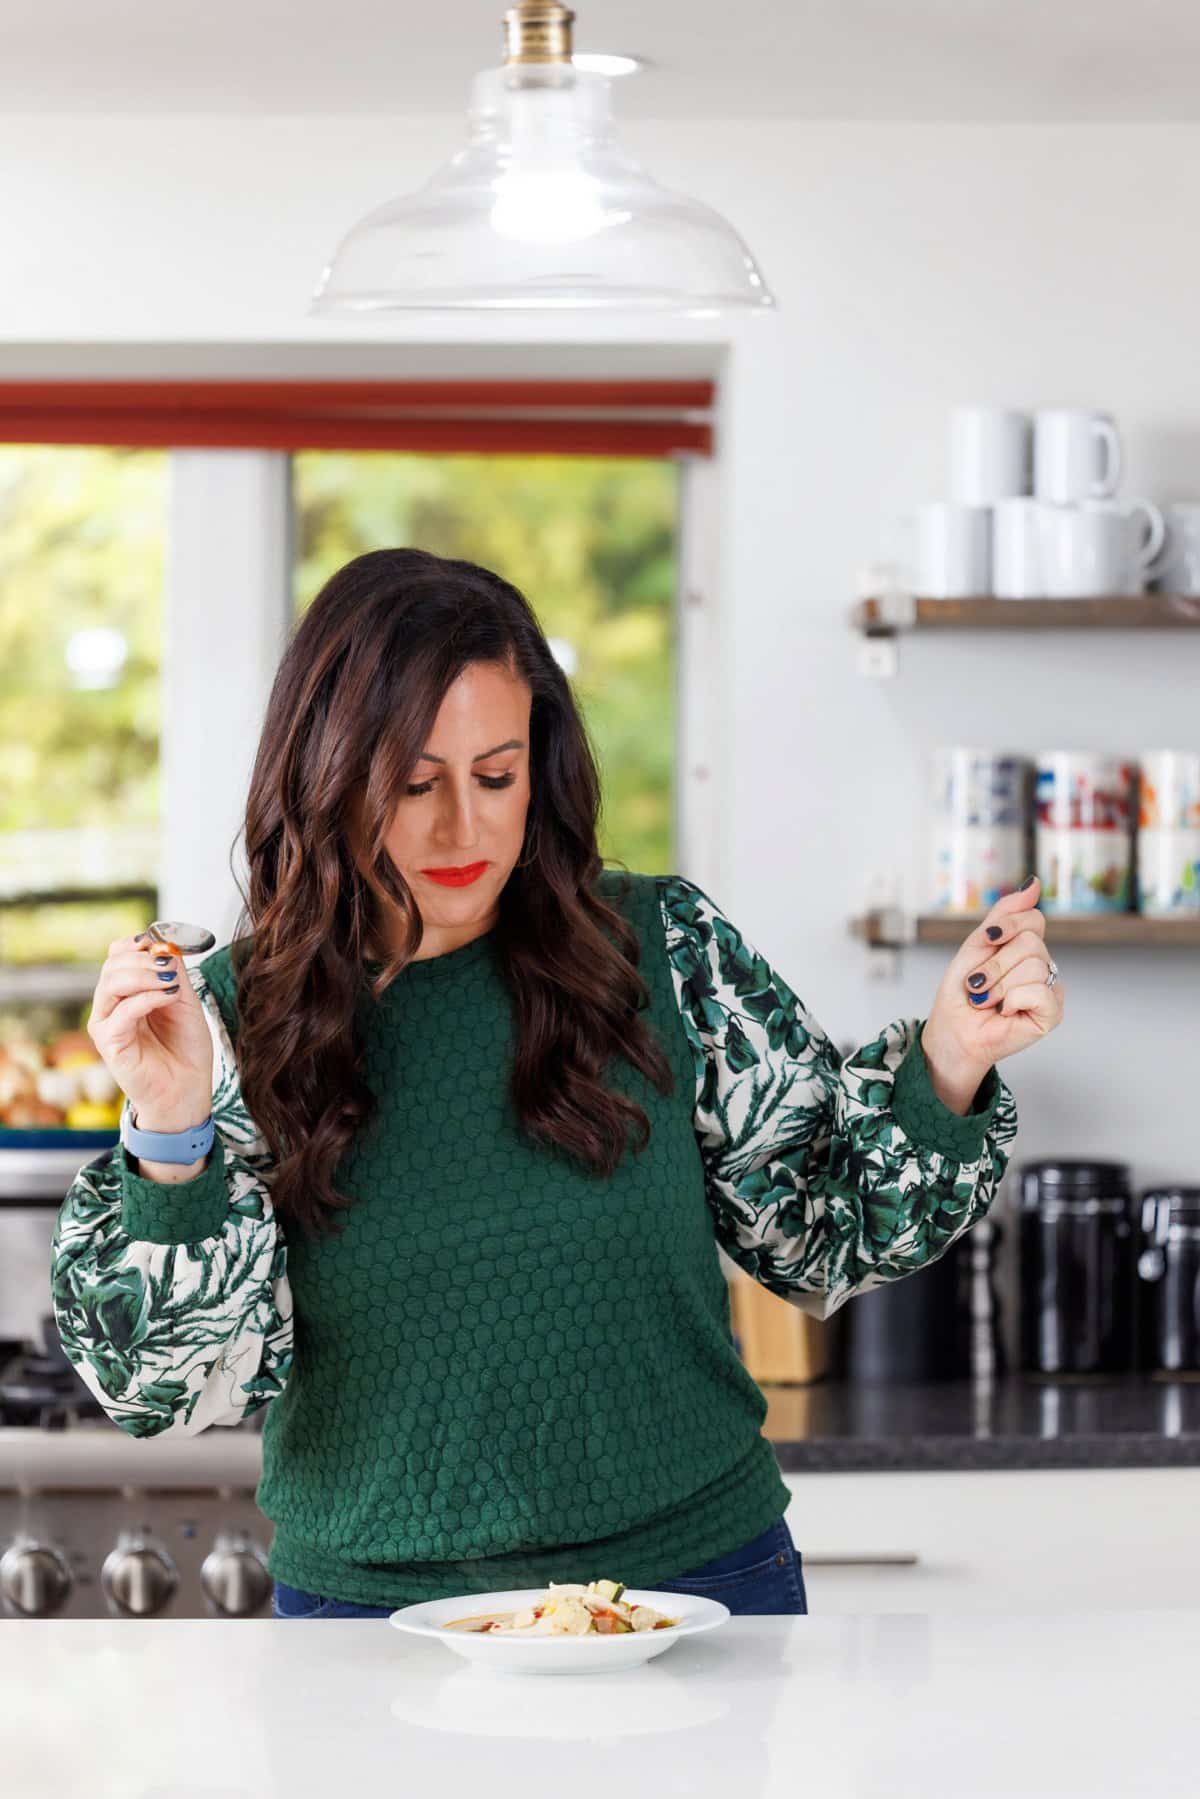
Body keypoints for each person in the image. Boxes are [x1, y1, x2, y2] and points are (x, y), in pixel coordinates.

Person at [49, 547, 1062, 1621]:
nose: (463, 828)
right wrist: (168, 1128)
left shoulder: (665, 951)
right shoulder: (224, 1022)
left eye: (496, 774)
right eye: (412, 782)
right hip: (376, 1625)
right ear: (327, 772)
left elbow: (825, 1225)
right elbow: (169, 1386)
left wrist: (952, 1056)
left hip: (696, 1588)